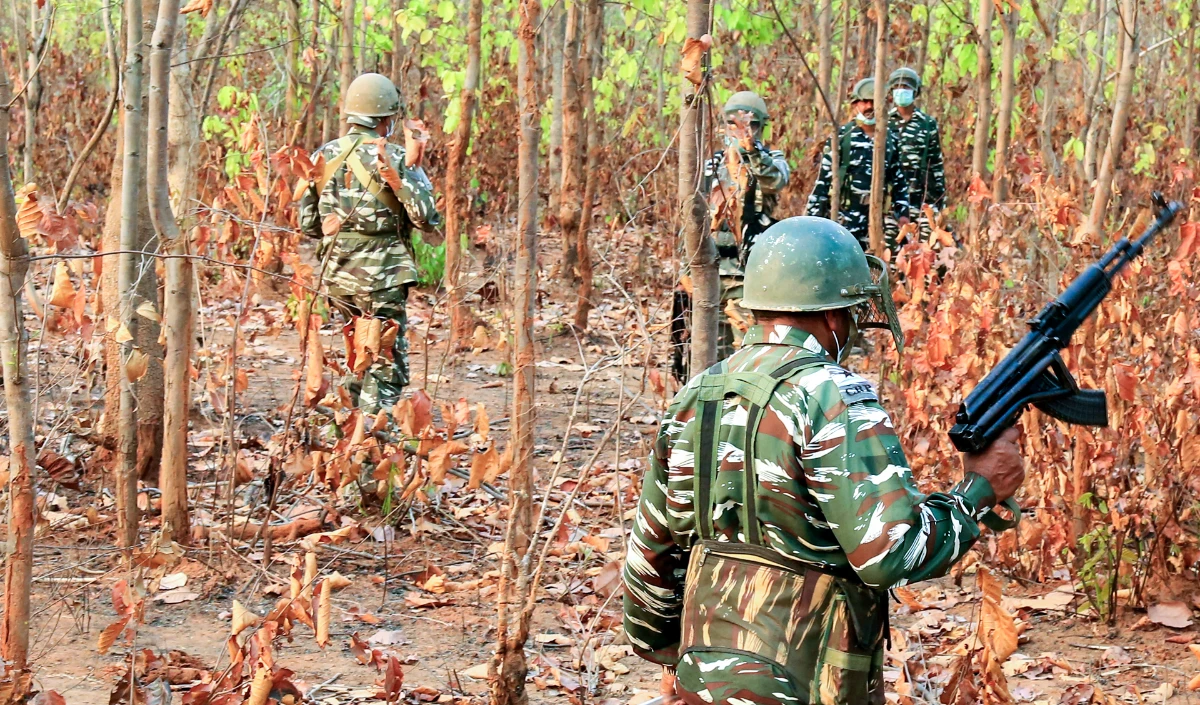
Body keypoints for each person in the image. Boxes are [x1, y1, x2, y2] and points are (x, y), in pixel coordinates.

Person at [623, 216, 1026, 704]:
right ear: (835, 316)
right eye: (853, 310)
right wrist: (978, 492)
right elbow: (891, 553)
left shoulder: (696, 394)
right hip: (811, 680)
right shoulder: (832, 395)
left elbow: (648, 564)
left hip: (703, 678)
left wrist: (677, 658)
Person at [299, 72, 440, 415]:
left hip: (338, 275)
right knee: (384, 363)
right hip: (384, 276)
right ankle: (373, 452)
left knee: (356, 356)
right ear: (386, 119)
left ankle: (347, 437)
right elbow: (425, 218)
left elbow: (309, 225)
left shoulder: (321, 157)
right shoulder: (392, 157)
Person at [672, 91, 790, 379]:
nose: (741, 131)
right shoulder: (712, 165)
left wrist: (750, 151)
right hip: (710, 270)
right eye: (734, 125)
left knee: (747, 352)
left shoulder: (770, 161)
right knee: (705, 349)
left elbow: (776, 181)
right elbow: (693, 213)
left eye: (749, 125)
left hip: (748, 274)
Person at [805, 78, 911, 253]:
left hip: (878, 224)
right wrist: (810, 224)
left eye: (874, 102)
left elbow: (899, 181)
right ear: (855, 105)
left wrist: (904, 215)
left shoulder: (890, 139)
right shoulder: (841, 137)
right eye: (864, 102)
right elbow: (823, 183)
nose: (869, 107)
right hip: (845, 221)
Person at [886, 67, 947, 247]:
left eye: (906, 87)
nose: (901, 90)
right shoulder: (885, 122)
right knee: (892, 248)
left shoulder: (927, 124)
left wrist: (939, 202)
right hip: (892, 201)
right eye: (897, 86)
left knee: (928, 248)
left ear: (915, 91)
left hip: (921, 198)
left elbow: (936, 164)